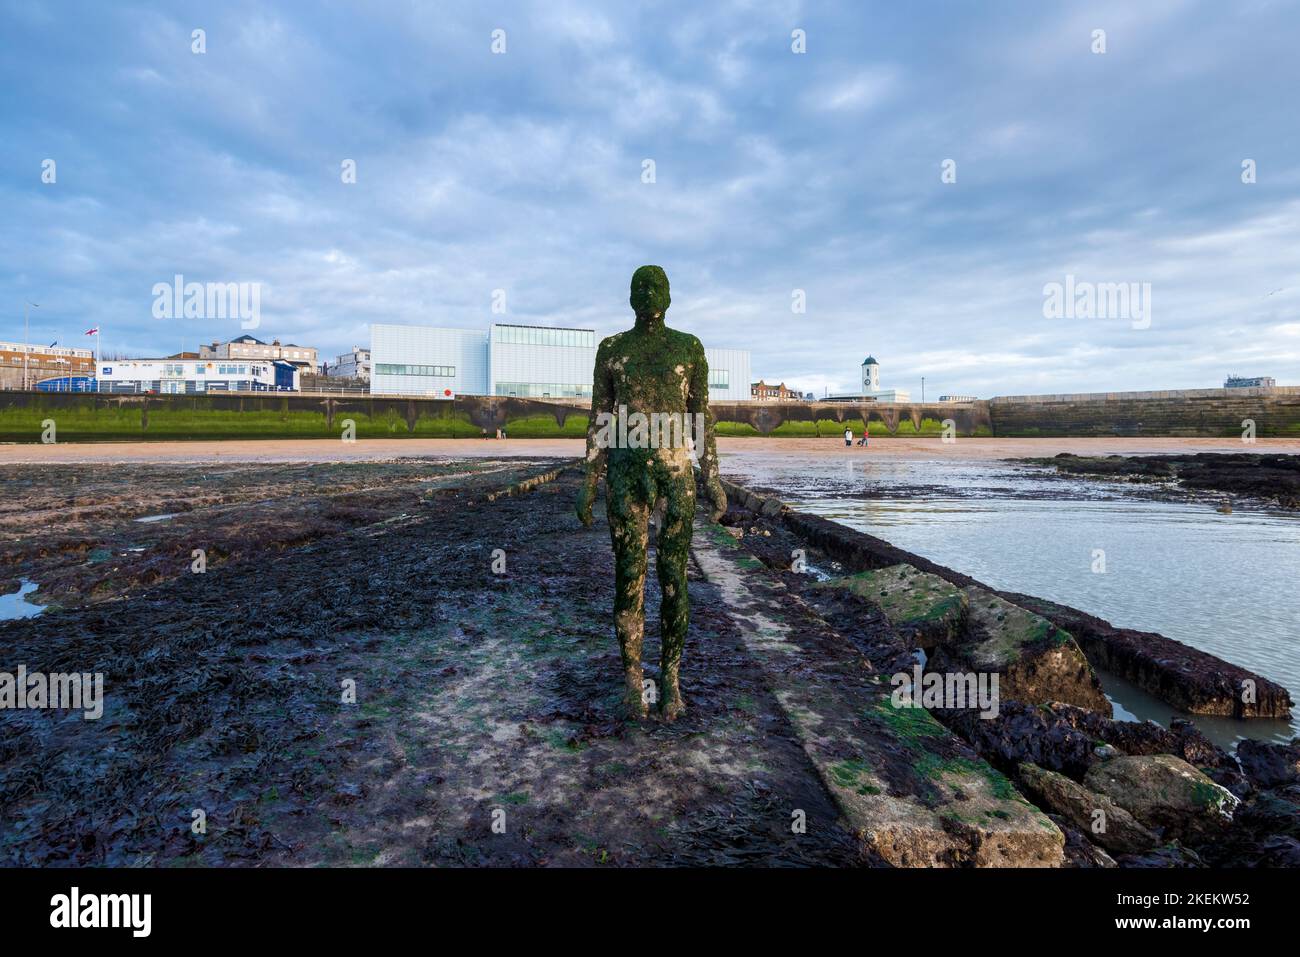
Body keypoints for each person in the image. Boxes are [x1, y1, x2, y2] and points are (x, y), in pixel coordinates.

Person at [576, 266, 726, 722]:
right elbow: (601, 418)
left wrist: (712, 477)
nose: (647, 292)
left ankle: (672, 679)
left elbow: (701, 416)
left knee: (674, 579)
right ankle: (630, 681)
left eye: (655, 286)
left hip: (675, 475)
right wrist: (590, 480)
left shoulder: (689, 348)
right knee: (629, 579)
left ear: (669, 295)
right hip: (626, 475)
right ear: (629, 297)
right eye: (640, 286)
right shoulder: (612, 350)